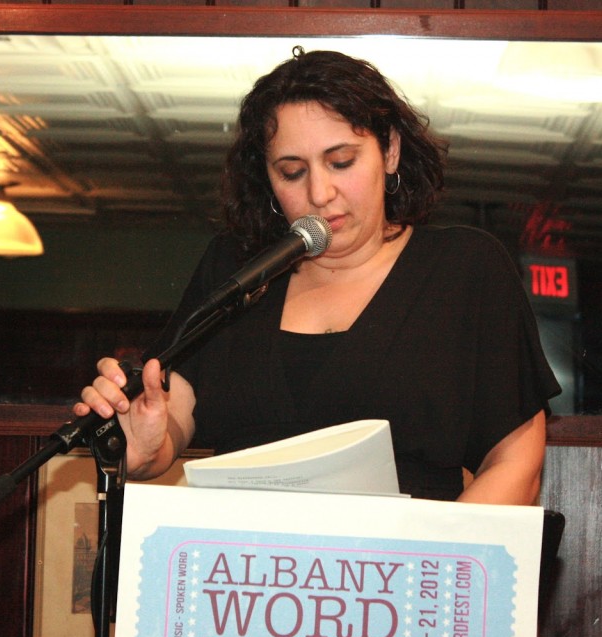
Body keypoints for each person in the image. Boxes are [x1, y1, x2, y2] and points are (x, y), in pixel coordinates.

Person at [74, 47, 561, 504]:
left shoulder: (464, 269)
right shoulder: (234, 267)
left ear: (389, 151)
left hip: (403, 581)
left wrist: (437, 565)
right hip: (242, 578)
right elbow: (172, 416)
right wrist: (141, 450)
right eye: (291, 171)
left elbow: (516, 459)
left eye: (341, 161)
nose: (320, 192)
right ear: (266, 177)